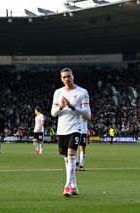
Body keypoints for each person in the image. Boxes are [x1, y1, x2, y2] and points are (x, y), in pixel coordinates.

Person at [51, 68, 91, 197]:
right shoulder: (58, 92)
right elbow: (53, 113)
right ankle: (74, 186)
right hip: (62, 129)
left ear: (73, 76)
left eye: (68, 76)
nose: (66, 79)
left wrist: (73, 107)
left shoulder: (82, 92)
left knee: (71, 155)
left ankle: (67, 186)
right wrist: (62, 106)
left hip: (75, 128)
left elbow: (87, 114)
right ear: (61, 79)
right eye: (64, 77)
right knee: (67, 160)